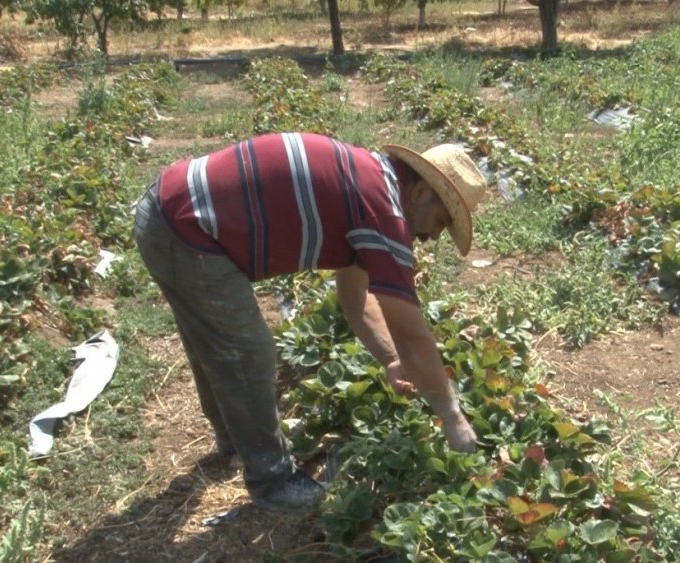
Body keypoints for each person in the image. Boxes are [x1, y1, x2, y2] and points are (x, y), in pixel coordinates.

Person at [133, 132, 487, 512]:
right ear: (419, 194)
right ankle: (273, 482)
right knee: (248, 354)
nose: (434, 236)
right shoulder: (385, 211)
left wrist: (389, 359)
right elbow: (412, 335)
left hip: (168, 210)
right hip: (187, 230)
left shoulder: (371, 183)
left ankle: (236, 441)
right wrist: (452, 417)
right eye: (442, 220)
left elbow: (354, 298)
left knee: (219, 343)